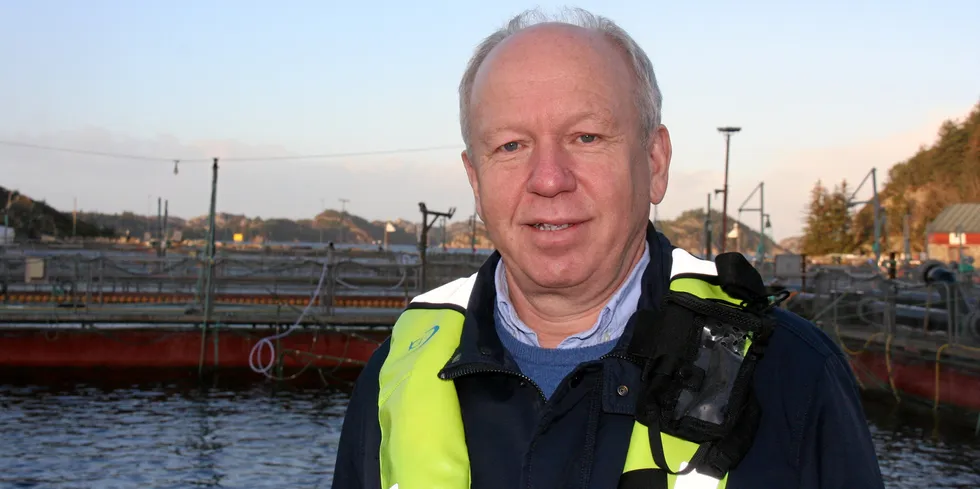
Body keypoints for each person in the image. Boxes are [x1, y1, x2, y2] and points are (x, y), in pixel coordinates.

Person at [332, 8, 883, 489]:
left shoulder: (790, 374)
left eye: (586, 138)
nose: (549, 179)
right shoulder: (394, 378)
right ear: (476, 181)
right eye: (510, 145)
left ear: (655, 163)